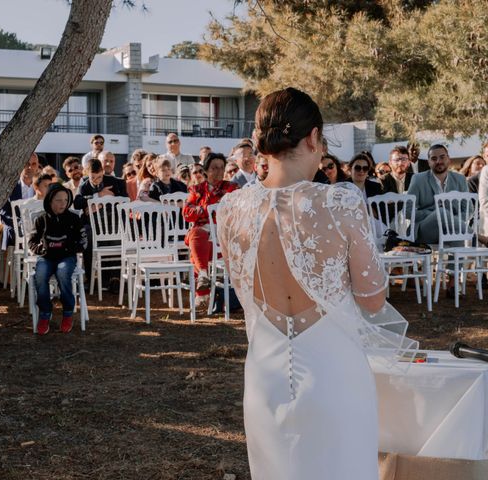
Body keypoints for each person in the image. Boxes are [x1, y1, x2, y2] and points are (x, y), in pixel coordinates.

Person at [217, 87, 406, 480]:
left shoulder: (231, 209)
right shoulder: (341, 202)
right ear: (313, 138)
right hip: (335, 375)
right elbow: (373, 301)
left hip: (264, 376)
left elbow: (242, 291)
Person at [28, 184, 87, 335]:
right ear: (49, 201)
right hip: (46, 257)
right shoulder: (41, 220)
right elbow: (32, 242)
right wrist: (41, 249)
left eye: (66, 200)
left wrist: (70, 248)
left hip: (66, 257)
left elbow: (83, 241)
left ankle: (68, 311)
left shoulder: (74, 218)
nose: (63, 203)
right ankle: (45, 313)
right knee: (39, 275)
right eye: (58, 200)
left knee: (62, 273)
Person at [183, 153, 238, 309]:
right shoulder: (196, 189)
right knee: (197, 234)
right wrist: (206, 209)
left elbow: (237, 211)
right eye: (214, 168)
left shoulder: (232, 188)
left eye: (222, 168)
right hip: (202, 238)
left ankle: (202, 285)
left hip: (223, 242)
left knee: (196, 247)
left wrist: (201, 211)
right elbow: (187, 213)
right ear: (206, 170)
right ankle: (203, 276)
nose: (219, 171)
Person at [407, 145, 469, 244]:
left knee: (455, 232)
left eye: (442, 157)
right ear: (428, 162)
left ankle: (456, 259)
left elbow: (468, 209)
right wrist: (433, 215)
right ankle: (477, 236)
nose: (438, 161)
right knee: (441, 212)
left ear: (448, 159)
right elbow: (407, 211)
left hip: (451, 229)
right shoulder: (418, 179)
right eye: (434, 158)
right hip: (424, 231)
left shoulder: (460, 179)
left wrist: (451, 220)